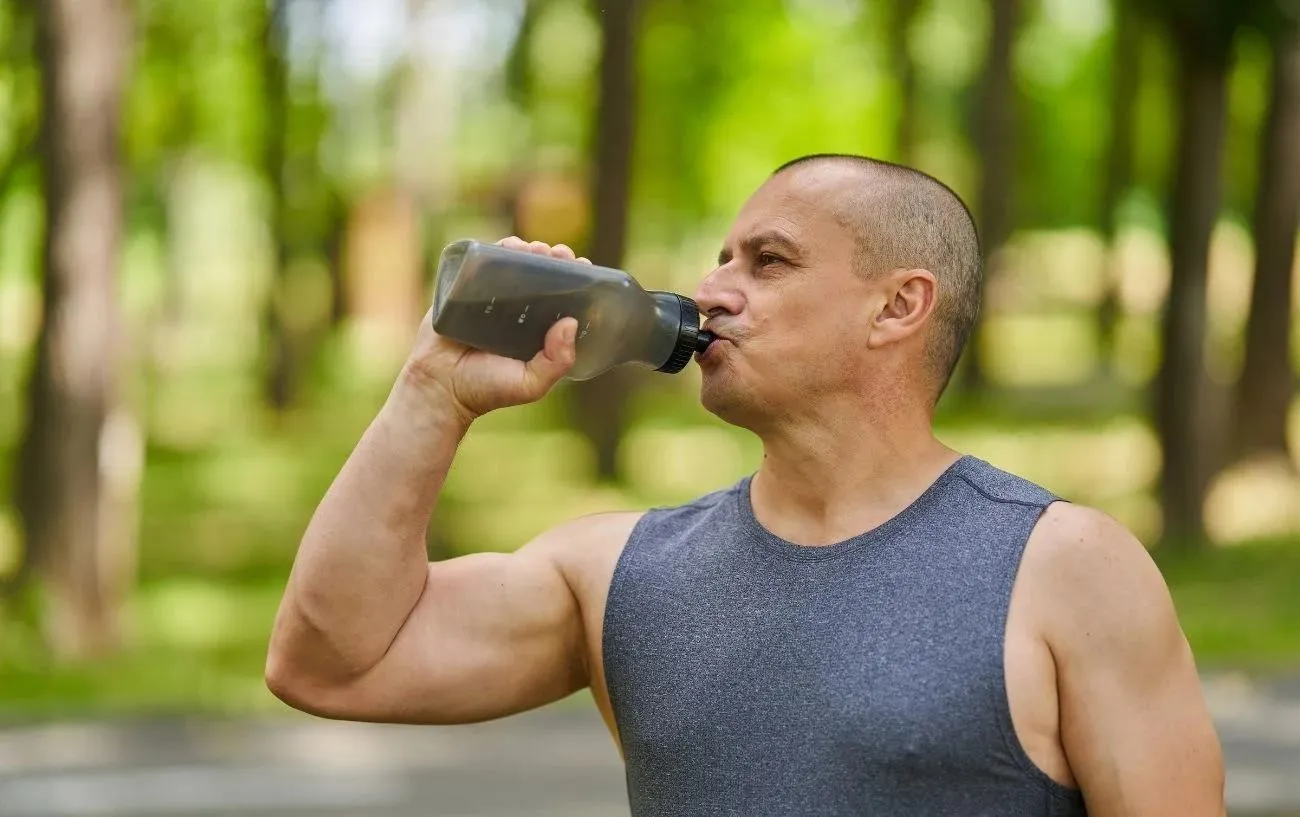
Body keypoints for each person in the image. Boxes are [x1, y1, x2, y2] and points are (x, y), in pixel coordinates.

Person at [265, 153, 1226, 816]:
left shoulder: (1068, 567)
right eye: (724, 257)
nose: (715, 288)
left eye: (769, 261)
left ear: (898, 305)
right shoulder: (616, 571)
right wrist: (433, 392)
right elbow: (334, 661)